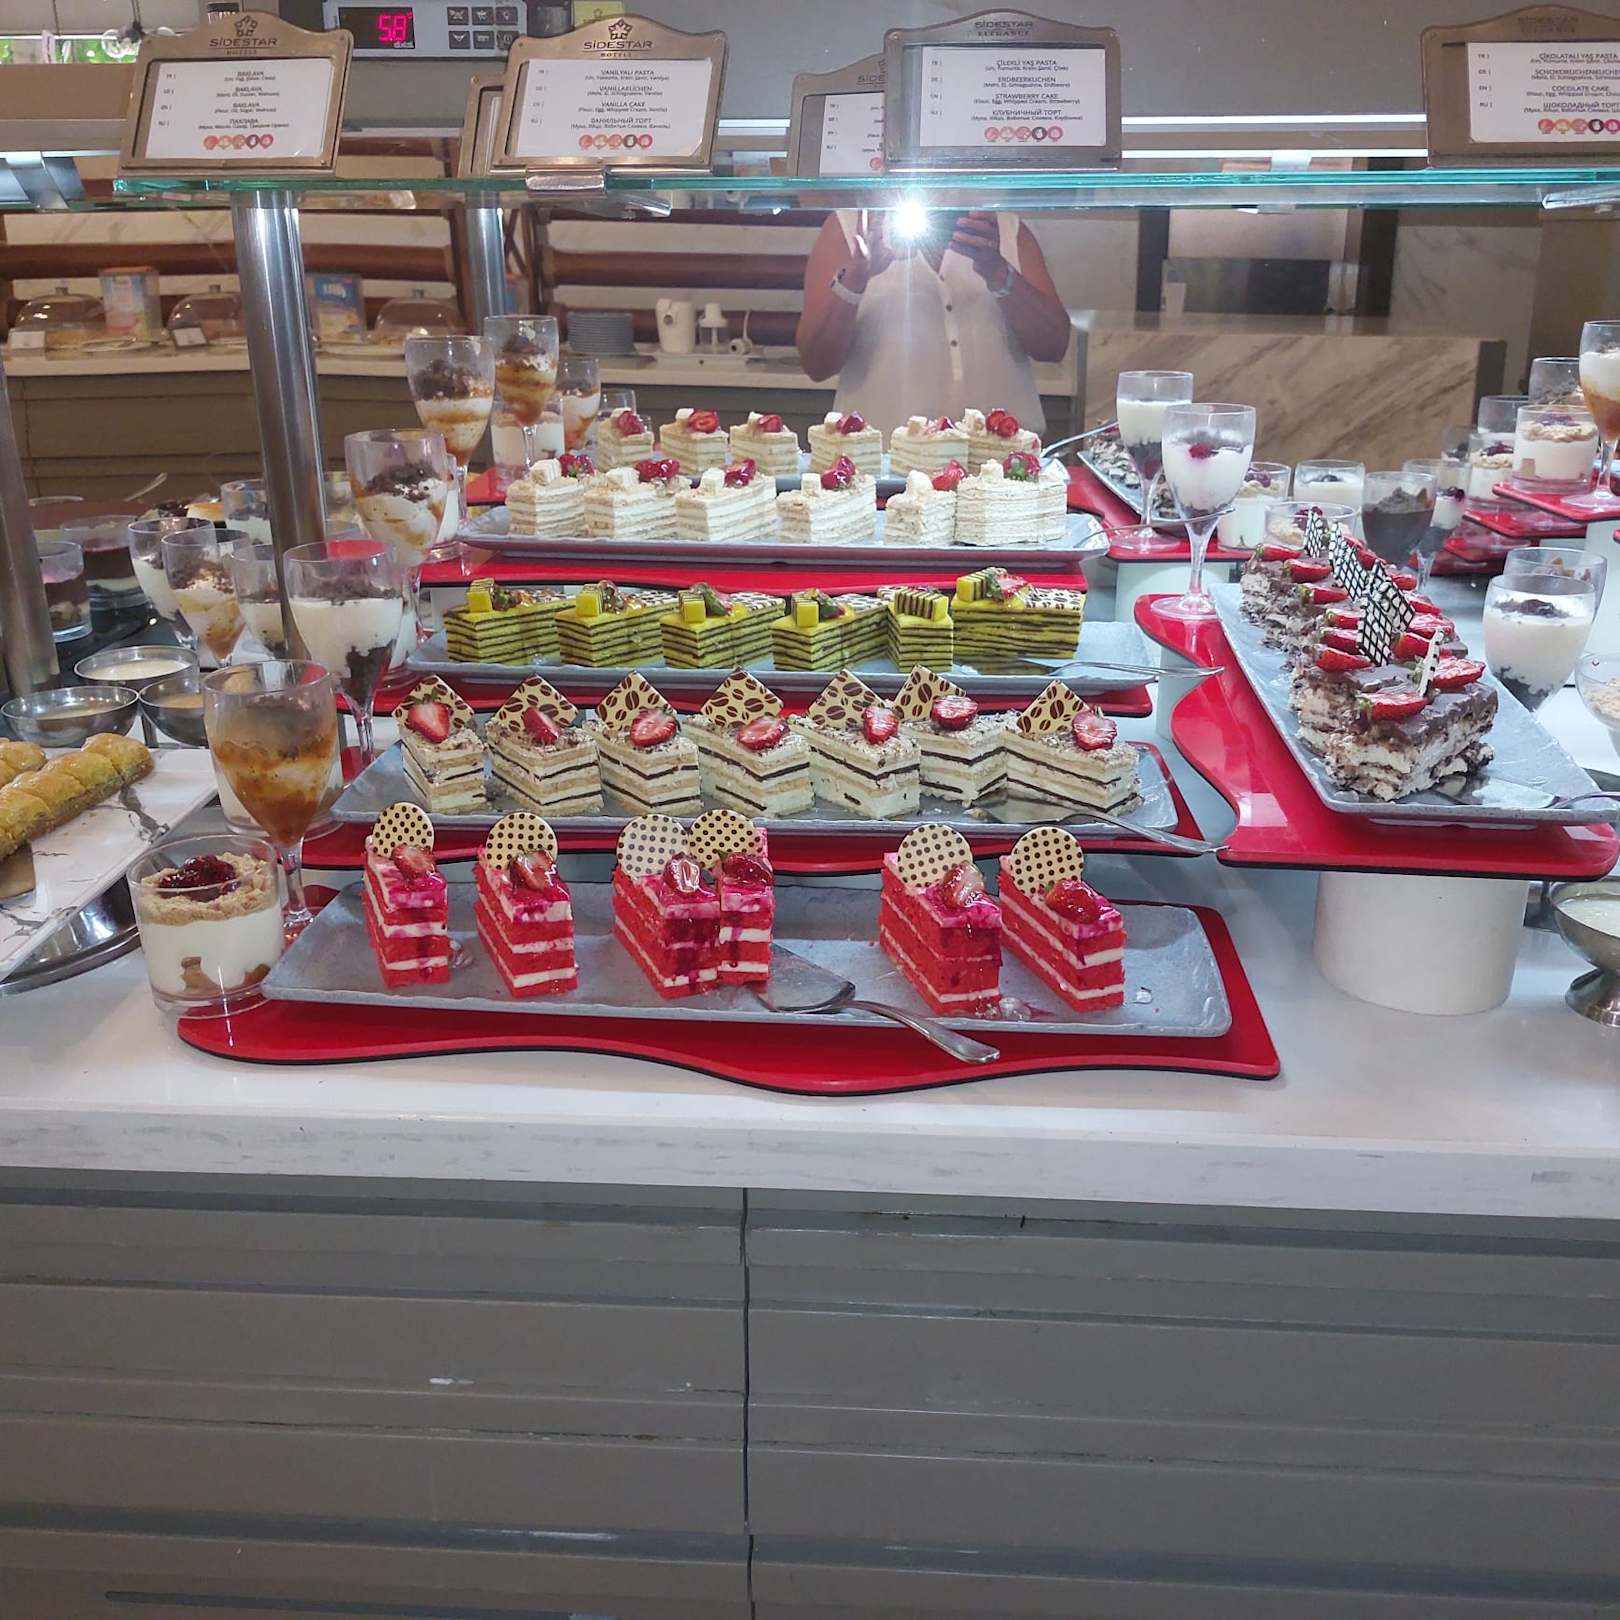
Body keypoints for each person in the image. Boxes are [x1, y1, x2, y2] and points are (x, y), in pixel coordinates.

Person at [796, 208, 1071, 433]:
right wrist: (856, 278)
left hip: (1001, 460)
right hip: (881, 461)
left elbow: (1054, 347)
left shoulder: (1005, 230)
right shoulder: (851, 229)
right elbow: (817, 365)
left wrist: (999, 272)